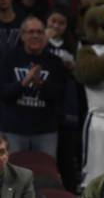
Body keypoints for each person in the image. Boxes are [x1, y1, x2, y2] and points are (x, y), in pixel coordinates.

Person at [0, 16, 67, 157]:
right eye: (30, 32)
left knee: (46, 175)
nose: (35, 35)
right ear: (22, 35)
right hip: (13, 129)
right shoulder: (9, 58)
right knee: (12, 174)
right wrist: (24, 82)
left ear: (44, 35)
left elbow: (59, 95)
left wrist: (40, 83)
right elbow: (4, 93)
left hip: (45, 131)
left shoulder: (55, 63)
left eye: (39, 32)